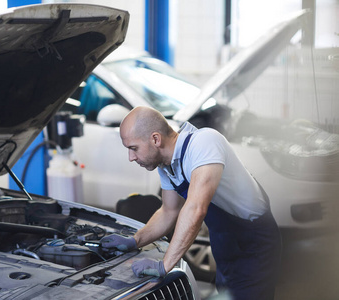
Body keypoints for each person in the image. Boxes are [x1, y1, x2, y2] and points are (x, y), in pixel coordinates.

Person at [100, 106, 282, 300]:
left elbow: (196, 208)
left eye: (133, 148)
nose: (131, 157)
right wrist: (135, 240)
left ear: (155, 139)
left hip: (253, 246)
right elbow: (168, 211)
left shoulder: (204, 142)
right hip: (225, 244)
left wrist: (165, 265)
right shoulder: (167, 166)